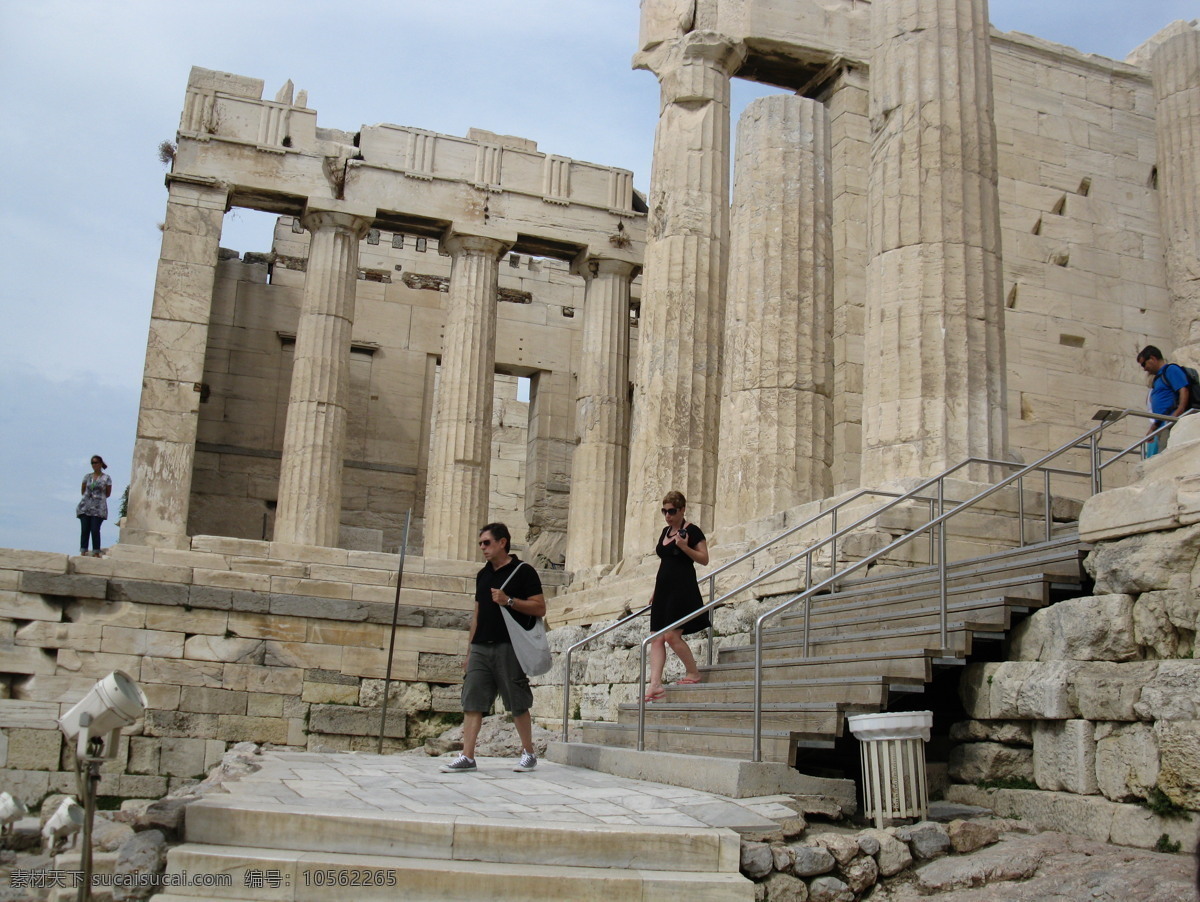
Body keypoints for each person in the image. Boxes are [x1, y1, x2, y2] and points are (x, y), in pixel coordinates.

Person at [440, 522, 546, 773]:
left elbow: (540, 607)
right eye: (480, 544)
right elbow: (476, 614)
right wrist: (469, 652)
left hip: (510, 646)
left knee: (517, 701)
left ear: (502, 542)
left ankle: (528, 752)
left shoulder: (524, 572)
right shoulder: (482, 574)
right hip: (480, 646)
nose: (482, 548)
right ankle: (467, 756)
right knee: (472, 701)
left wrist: (508, 600)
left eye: (486, 543)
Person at [645, 491, 710, 702]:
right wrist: (656, 591)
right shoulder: (665, 531)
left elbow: (704, 559)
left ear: (682, 509)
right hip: (663, 590)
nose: (667, 515)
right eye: (664, 511)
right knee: (656, 638)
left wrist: (684, 547)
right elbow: (665, 563)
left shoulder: (692, 530)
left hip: (682, 588)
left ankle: (693, 672)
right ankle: (654, 685)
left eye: (671, 511)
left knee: (672, 635)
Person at [1137, 346, 1192, 456]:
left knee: (1164, 456)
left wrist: (1177, 413)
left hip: (1169, 423)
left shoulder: (1171, 370)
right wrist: (1152, 429)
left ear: (1152, 358)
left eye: (1144, 364)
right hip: (1162, 424)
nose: (1144, 368)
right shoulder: (1158, 378)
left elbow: (1183, 390)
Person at [77, 455, 112, 556]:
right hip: (85, 507)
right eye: (92, 463)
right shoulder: (87, 477)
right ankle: (83, 550)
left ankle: (96, 551)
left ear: (100, 463)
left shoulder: (106, 478)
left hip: (99, 508)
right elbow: (83, 490)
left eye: (96, 462)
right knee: (85, 529)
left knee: (95, 529)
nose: (94, 465)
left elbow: (108, 493)